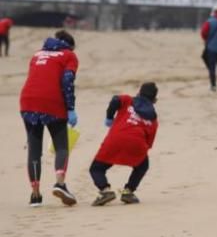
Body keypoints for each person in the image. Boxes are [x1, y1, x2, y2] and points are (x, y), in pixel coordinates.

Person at [19, 30, 79, 207]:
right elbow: (67, 80)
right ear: (70, 45)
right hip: (52, 102)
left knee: (34, 149)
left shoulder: (37, 54)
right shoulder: (69, 55)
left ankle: (35, 194)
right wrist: (70, 108)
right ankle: (60, 184)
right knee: (61, 146)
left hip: (27, 101)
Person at [90, 83, 159, 206]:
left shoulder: (128, 100)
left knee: (96, 168)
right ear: (154, 100)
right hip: (137, 143)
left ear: (138, 93)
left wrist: (109, 118)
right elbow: (149, 144)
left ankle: (105, 190)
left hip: (115, 139)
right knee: (143, 166)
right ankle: (128, 191)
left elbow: (115, 100)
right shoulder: (153, 119)